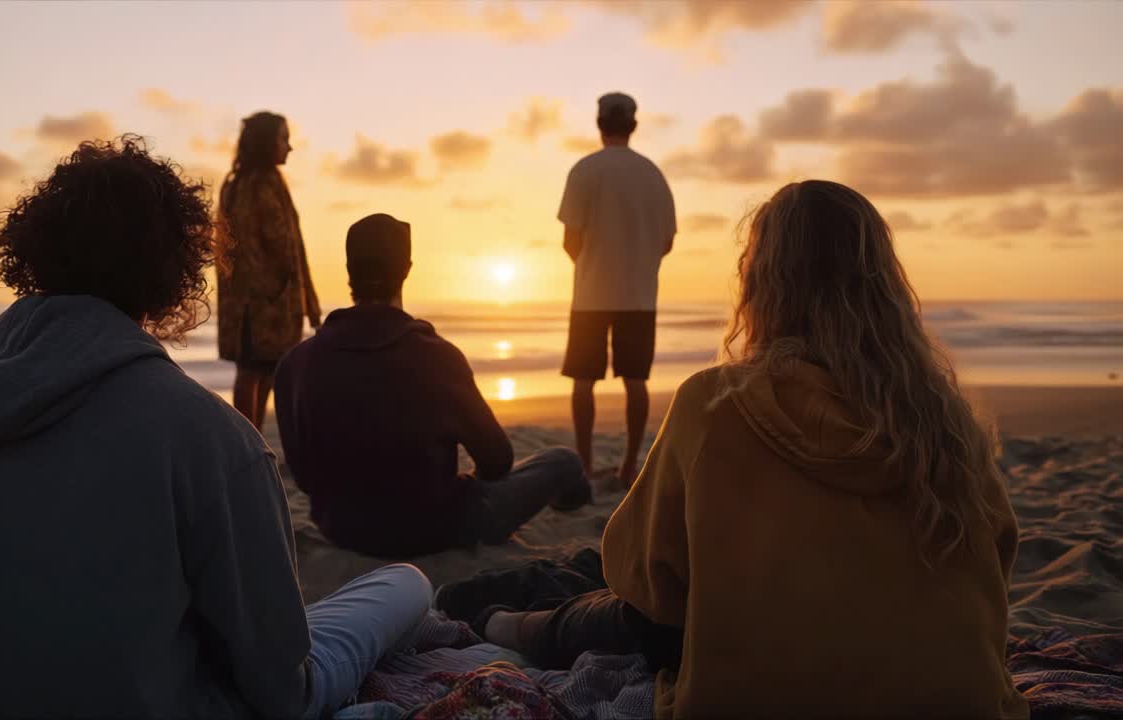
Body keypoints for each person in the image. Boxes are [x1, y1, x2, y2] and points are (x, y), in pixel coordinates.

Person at [0, 137, 431, 719]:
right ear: (173, 269)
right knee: (405, 585)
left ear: (35, 248)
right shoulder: (205, 435)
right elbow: (279, 688)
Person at [479, 181, 1029, 718]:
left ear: (761, 281)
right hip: (960, 697)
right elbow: (996, 563)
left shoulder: (716, 403)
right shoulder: (943, 420)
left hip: (756, 694)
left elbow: (642, 582)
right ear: (884, 283)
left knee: (614, 610)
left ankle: (496, 622)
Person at [275, 213, 592, 558]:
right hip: (438, 530)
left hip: (342, 530)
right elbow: (498, 460)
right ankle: (575, 508)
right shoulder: (438, 356)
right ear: (407, 269)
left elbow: (305, 478)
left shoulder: (296, 364)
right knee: (563, 462)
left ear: (349, 271)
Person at [558, 92, 676, 489]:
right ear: (634, 125)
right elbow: (667, 240)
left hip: (591, 294)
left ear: (598, 123)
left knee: (582, 381)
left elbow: (569, 238)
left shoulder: (585, 170)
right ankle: (628, 467)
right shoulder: (652, 174)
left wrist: (591, 267)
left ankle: (586, 468)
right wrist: (639, 267)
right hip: (639, 295)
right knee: (636, 381)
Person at [216, 111, 320, 431]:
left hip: (266, 303)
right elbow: (276, 247)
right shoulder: (253, 185)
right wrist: (285, 292)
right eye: (283, 139)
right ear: (266, 143)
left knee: (264, 372)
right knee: (253, 372)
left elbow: (290, 247)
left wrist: (307, 299)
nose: (289, 147)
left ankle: (252, 439)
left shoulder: (252, 183)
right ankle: (247, 441)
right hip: (259, 306)